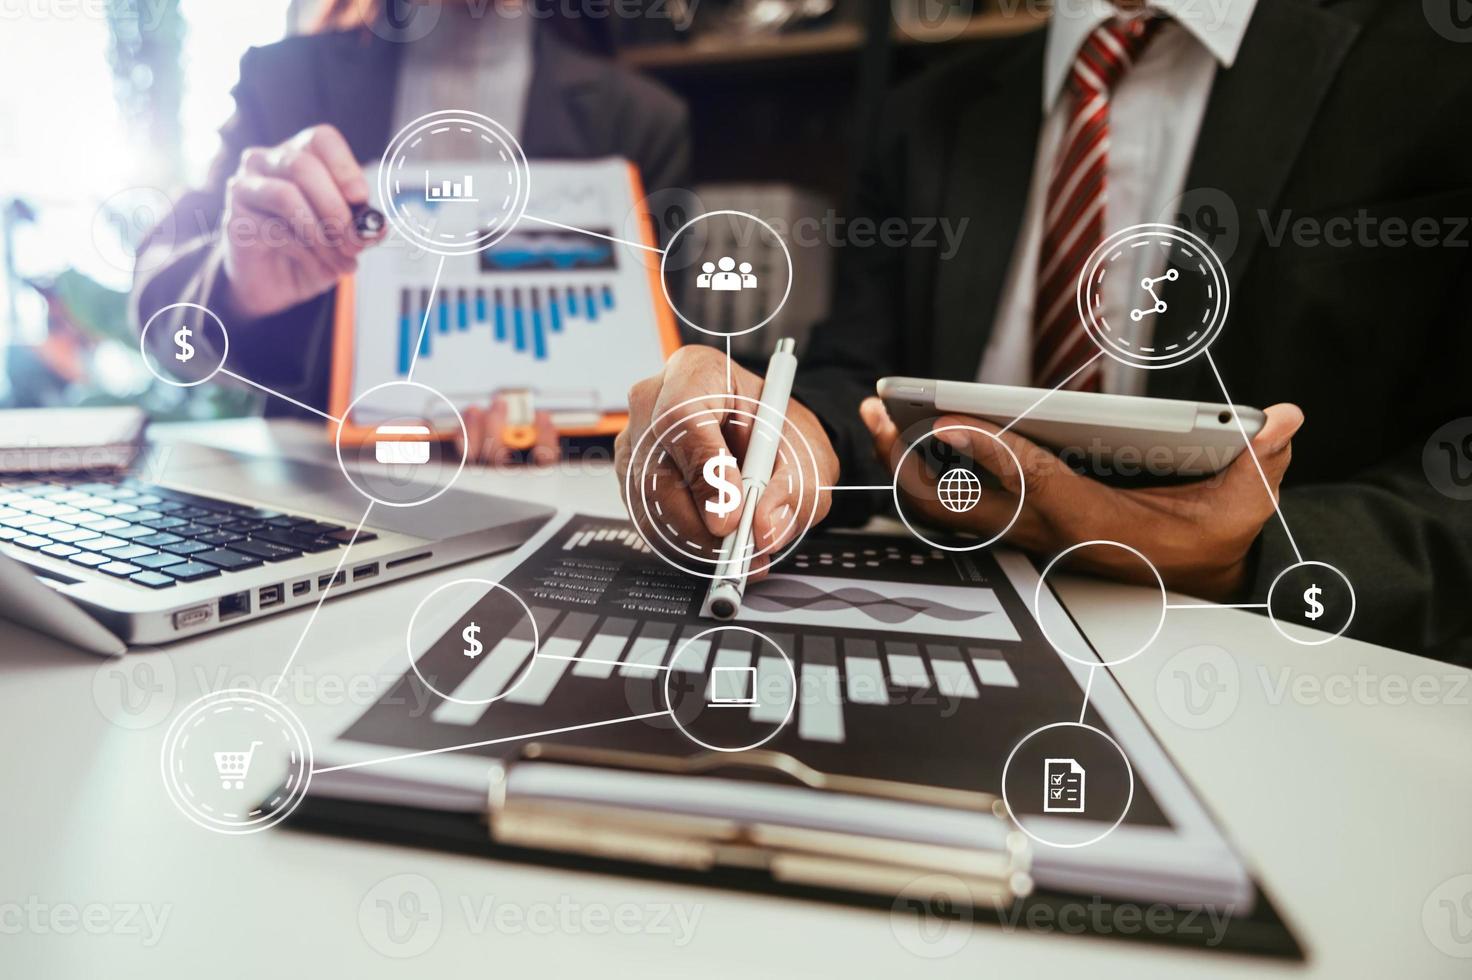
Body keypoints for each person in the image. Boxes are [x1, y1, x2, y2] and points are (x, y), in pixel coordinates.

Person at [616, 0, 1472, 664]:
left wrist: (1256, 558)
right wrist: (787, 429)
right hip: (956, 628)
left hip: (1285, 672)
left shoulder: (1435, 68)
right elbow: (860, 380)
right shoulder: (930, 113)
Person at [132, 0, 690, 464]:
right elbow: (163, 334)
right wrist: (234, 286)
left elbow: (673, 384)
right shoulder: (282, 82)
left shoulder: (641, 120)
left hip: (546, 513)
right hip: (320, 501)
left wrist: (564, 441)